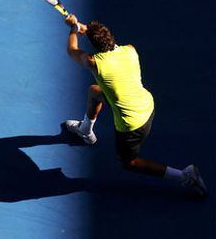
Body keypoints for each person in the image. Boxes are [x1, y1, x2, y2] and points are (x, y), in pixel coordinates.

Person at [63, 14, 207, 197]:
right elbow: (99, 39)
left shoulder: (94, 62)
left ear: (94, 45)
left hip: (132, 124)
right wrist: (81, 26)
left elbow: (71, 50)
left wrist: (73, 30)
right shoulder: (130, 50)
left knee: (128, 162)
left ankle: (185, 176)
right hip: (147, 104)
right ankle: (86, 130)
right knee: (95, 92)